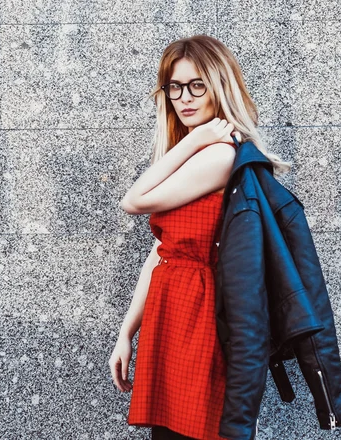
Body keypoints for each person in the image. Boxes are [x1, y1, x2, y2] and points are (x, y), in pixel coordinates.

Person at [108, 35, 290, 440]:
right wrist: (127, 331)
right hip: (171, 314)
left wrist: (194, 138)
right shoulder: (197, 151)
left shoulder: (220, 154)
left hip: (201, 320)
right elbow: (161, 253)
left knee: (198, 431)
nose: (184, 98)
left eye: (197, 85)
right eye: (175, 87)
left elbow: (133, 200)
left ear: (219, 86)